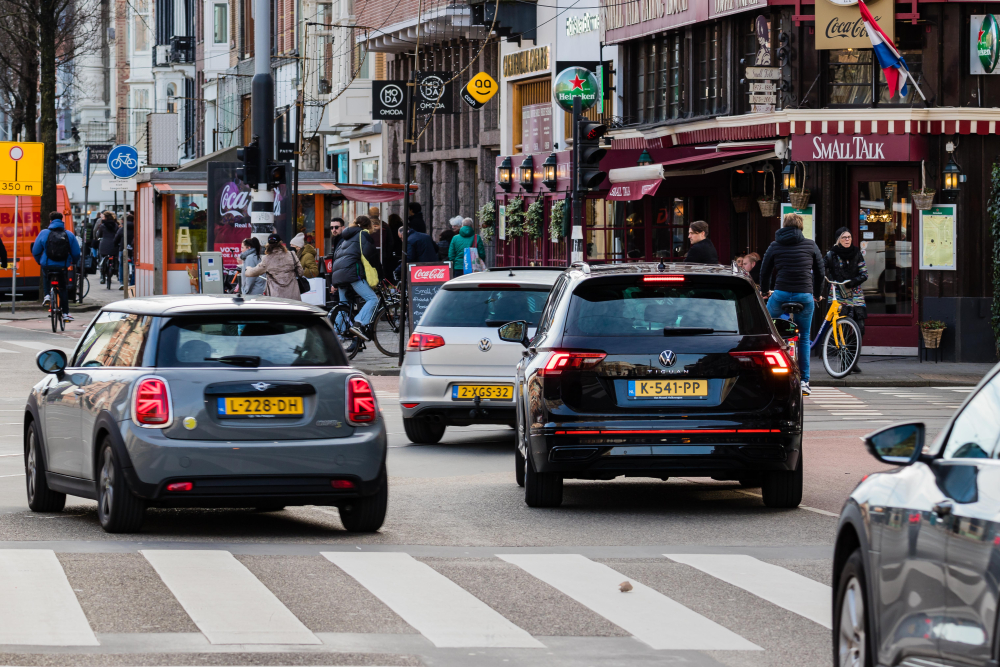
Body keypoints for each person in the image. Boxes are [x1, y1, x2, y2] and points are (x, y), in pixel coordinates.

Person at [760, 212, 825, 395]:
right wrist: (817, 294)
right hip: (804, 295)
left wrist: (765, 292)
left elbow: (765, 271)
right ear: (800, 226)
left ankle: (766, 374)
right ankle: (804, 382)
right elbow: (820, 272)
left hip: (780, 294)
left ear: (784, 225)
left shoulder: (775, 245)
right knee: (804, 336)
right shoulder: (811, 245)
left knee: (766, 330)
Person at [330, 215, 382, 339]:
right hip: (352, 274)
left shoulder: (346, 236)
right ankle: (359, 323)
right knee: (372, 299)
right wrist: (381, 274)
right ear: (369, 226)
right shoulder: (363, 234)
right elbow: (371, 256)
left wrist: (334, 282)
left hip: (339, 275)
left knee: (344, 305)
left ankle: (336, 336)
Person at [825, 227, 868, 374]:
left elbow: (864, 273)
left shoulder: (857, 253)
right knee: (840, 327)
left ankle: (851, 360)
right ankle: (844, 361)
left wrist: (852, 282)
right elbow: (821, 269)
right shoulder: (831, 254)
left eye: (849, 237)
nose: (847, 239)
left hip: (855, 294)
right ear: (838, 239)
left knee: (859, 327)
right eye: (844, 237)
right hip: (838, 294)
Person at [32, 212, 81, 321]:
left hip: (47, 264)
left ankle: (47, 296)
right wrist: (73, 262)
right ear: (61, 220)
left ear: (50, 221)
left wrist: (39, 261)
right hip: (62, 265)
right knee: (63, 288)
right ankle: (66, 314)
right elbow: (76, 252)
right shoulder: (69, 234)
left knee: (46, 275)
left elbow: (35, 251)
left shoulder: (44, 233)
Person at [243, 233, 305, 300]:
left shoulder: (267, 259)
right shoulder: (292, 255)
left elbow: (254, 272)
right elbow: (300, 272)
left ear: (268, 244)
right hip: (293, 297)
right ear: (280, 243)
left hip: (276, 298)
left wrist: (248, 269)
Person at [113, 213, 135, 290]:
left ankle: (122, 282)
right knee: (134, 265)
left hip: (123, 248)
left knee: (122, 265)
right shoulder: (137, 228)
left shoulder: (122, 229)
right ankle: (133, 283)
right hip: (133, 250)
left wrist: (116, 245)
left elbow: (116, 239)